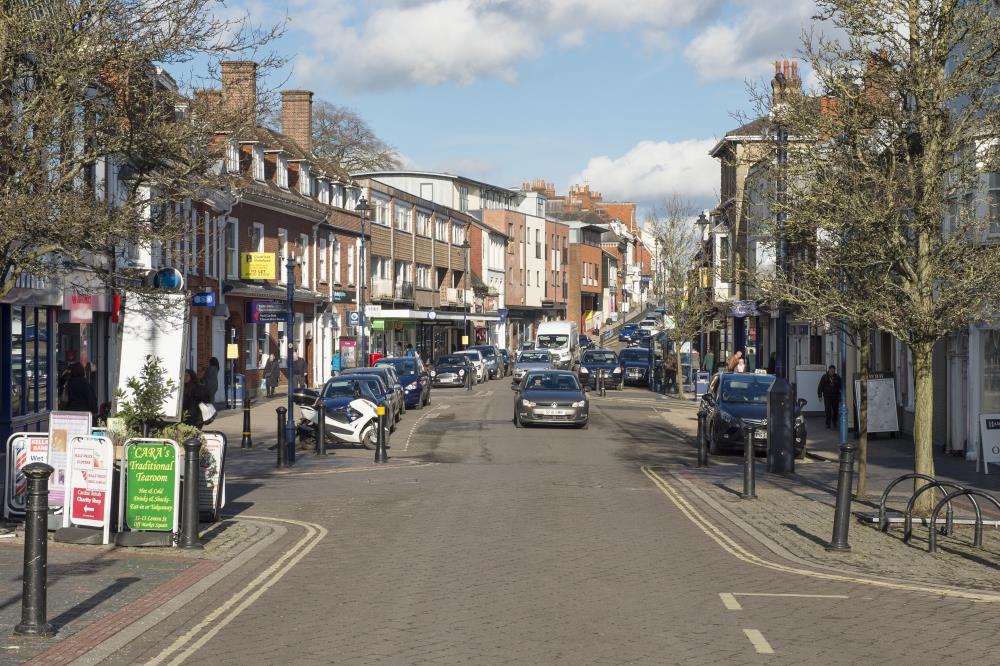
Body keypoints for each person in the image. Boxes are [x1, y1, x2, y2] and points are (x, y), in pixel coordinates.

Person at [818, 364, 843, 430]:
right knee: (828, 410)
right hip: (827, 396)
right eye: (831, 370)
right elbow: (820, 387)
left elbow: (841, 386)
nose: (832, 372)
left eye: (833, 371)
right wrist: (820, 396)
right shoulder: (824, 377)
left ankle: (834, 422)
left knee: (835, 410)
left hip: (835, 396)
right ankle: (828, 424)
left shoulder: (837, 377)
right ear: (828, 370)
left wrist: (841, 395)